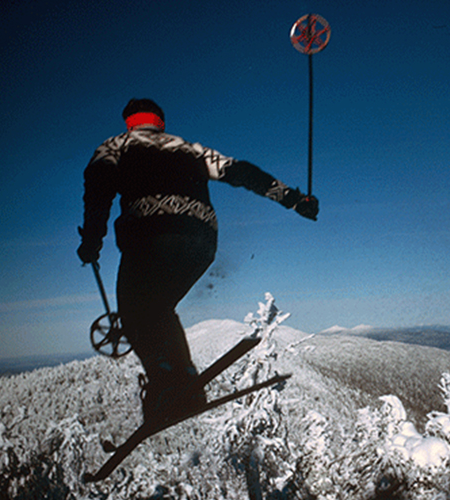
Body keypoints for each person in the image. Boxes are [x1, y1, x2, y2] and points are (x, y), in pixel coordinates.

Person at [77, 98, 318, 422]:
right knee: (160, 309)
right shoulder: (190, 150)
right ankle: (184, 382)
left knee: (135, 314)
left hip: (149, 235)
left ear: (130, 122)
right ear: (160, 122)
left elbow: (98, 188)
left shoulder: (115, 146)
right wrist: (293, 199)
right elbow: (242, 172)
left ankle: (167, 387)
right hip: (200, 240)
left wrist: (92, 241)